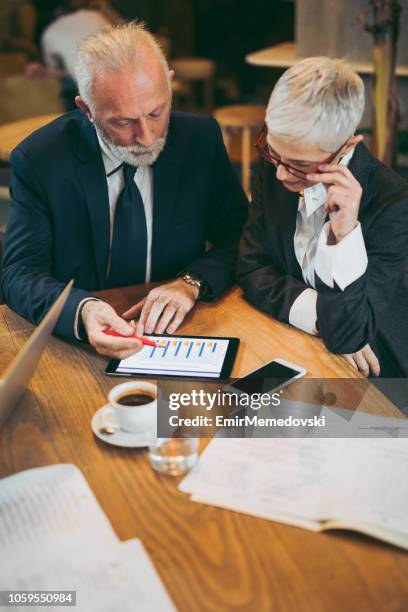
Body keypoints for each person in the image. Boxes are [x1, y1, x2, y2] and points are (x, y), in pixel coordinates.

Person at [1, 21, 248, 361]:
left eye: (156, 113)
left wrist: (191, 283)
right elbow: (18, 272)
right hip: (78, 347)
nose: (147, 138)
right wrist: (81, 310)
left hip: (181, 333)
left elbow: (241, 235)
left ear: (170, 85)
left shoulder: (200, 139)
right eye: (122, 122)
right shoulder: (41, 159)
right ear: (87, 110)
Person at [237, 57, 408, 378]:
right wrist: (321, 317)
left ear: (346, 147)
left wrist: (344, 237)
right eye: (273, 152)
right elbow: (251, 266)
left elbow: (351, 336)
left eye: (301, 164)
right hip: (294, 337)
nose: (281, 175)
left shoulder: (394, 203)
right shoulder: (274, 164)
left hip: (378, 363)